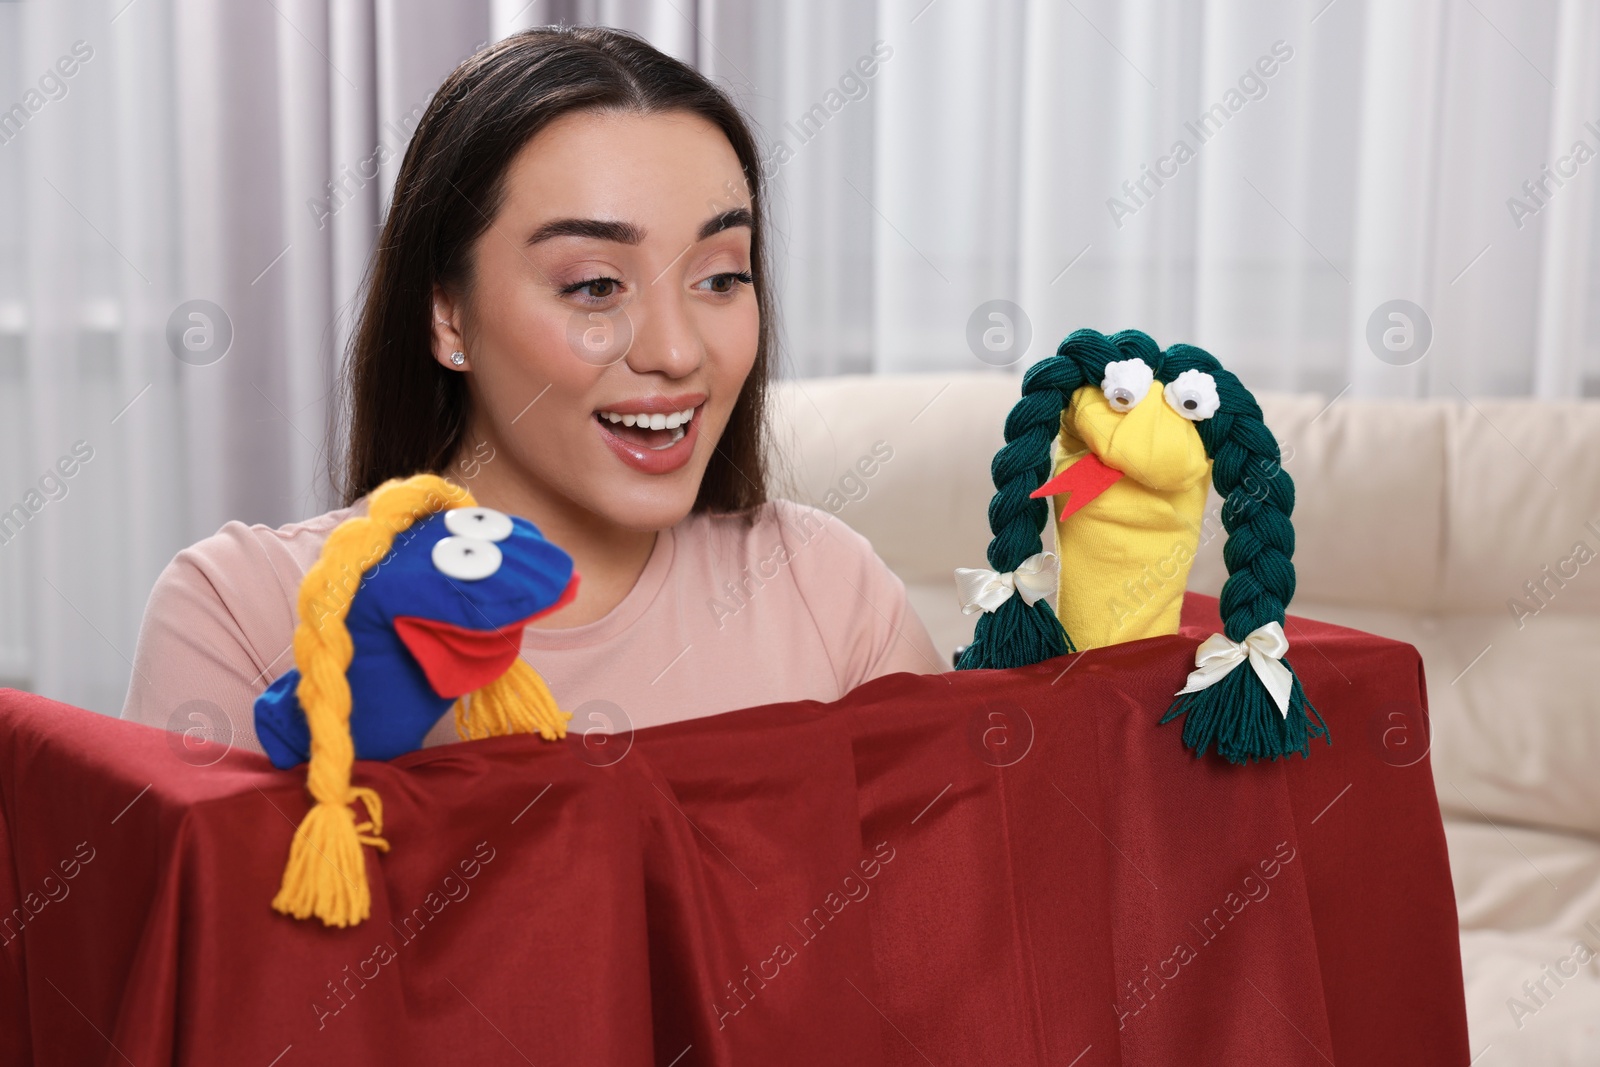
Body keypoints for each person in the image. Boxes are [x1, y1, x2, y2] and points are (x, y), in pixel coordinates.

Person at [120, 25, 944, 758]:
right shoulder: (238, 608)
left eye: (722, 276)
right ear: (448, 317)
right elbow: (191, 925)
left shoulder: (825, 590)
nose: (674, 349)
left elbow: (954, 905)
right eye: (593, 286)